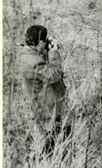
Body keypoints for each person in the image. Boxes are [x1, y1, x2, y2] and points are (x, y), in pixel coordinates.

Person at [17, 25, 68, 155]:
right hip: (45, 109)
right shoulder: (33, 62)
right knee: (52, 141)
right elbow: (54, 75)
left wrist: (43, 50)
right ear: (40, 42)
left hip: (38, 102)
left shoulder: (25, 53)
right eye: (44, 42)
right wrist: (53, 52)